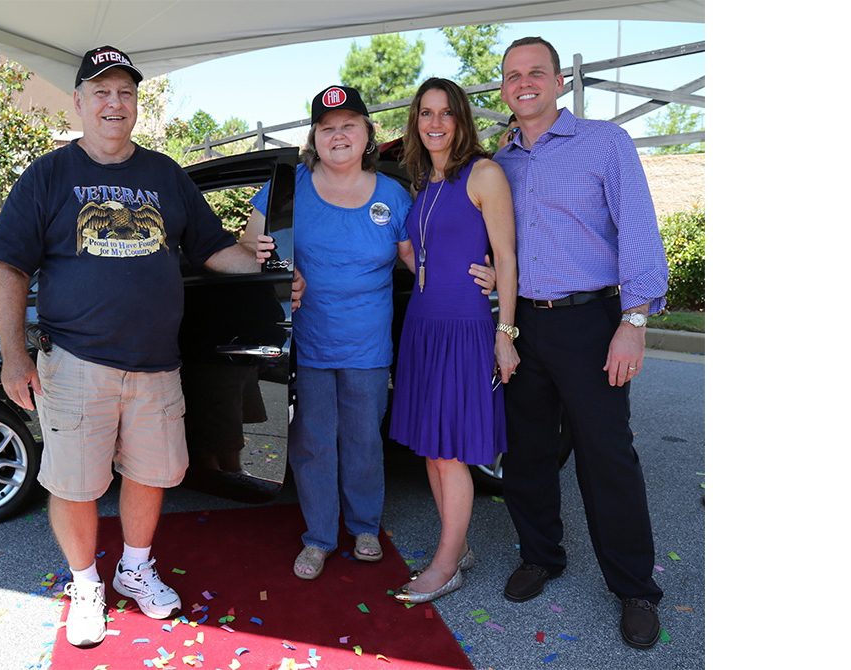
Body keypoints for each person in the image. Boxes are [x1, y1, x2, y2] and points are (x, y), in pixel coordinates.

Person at [0, 45, 259, 649]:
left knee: (151, 473)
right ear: (80, 101)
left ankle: (134, 568)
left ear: (137, 104)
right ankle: (86, 584)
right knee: (75, 484)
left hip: (157, 365)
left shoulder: (164, 175)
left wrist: (261, 258)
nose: (114, 103)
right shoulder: (49, 176)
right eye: (101, 92)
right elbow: (10, 270)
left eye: (125, 93)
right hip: (78, 362)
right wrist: (14, 356)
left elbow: (215, 249)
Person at [492, 36, 670, 649]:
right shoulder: (501, 160)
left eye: (536, 72)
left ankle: (635, 588)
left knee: (606, 456)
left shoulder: (605, 143)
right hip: (524, 326)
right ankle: (541, 556)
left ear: (559, 81)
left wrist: (634, 321)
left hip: (592, 322)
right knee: (528, 453)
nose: (524, 83)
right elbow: (502, 244)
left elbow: (640, 233)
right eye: (513, 75)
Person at [246, 85, 414, 581]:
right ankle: (319, 536)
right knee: (313, 440)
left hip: (368, 344)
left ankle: (364, 526)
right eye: (327, 128)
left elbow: (417, 261)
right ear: (314, 137)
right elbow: (250, 244)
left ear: (367, 134)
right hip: (307, 340)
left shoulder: (392, 194)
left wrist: (480, 277)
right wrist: (273, 264)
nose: (338, 135)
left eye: (348, 125)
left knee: (363, 438)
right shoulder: (288, 186)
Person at [386, 77, 519, 604]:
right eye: (425, 113)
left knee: (451, 451)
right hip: (423, 323)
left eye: (446, 113)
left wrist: (505, 334)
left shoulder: (483, 173)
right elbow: (418, 252)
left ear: (461, 119)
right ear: (416, 122)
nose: (435, 122)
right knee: (430, 446)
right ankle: (456, 547)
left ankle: (447, 563)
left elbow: (506, 258)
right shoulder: (425, 182)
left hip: (464, 325)